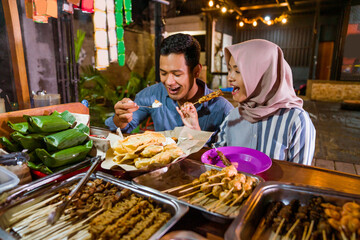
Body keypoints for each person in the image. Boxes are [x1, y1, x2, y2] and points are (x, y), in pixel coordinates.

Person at [178, 39, 316, 165]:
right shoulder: (233, 116)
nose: (230, 78)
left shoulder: (296, 121)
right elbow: (216, 158)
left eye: (237, 71)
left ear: (262, 75)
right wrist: (194, 129)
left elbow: (300, 178)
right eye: (230, 70)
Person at [105, 33, 234, 137]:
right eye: (163, 73)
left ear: (196, 72)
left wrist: (196, 133)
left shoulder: (222, 109)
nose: (169, 82)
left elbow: (227, 158)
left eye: (177, 74)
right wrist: (120, 119)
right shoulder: (153, 94)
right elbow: (123, 127)